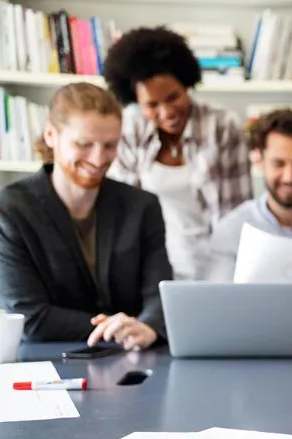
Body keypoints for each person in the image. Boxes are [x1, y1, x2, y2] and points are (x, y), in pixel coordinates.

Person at [0, 83, 173, 347]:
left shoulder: (142, 206)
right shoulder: (6, 211)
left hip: (134, 359)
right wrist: (118, 327)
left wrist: (149, 326)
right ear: (51, 135)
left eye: (110, 145)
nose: (98, 159)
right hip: (47, 361)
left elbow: (159, 297)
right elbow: (29, 317)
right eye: (84, 144)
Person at [103, 26, 252, 281]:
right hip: (154, 269)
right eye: (152, 105)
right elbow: (124, 212)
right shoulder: (131, 130)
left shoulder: (222, 126)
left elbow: (236, 216)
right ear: (136, 102)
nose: (167, 111)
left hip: (219, 267)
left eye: (173, 97)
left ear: (187, 84)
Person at [208, 108, 292, 281]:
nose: (289, 177)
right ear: (259, 161)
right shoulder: (231, 230)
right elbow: (220, 301)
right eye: (278, 164)